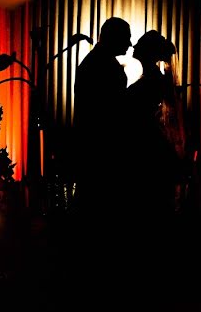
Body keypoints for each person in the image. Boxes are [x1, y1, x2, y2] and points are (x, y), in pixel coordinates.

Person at [71, 17, 132, 216]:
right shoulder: (101, 65)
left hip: (93, 147)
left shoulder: (96, 62)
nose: (130, 44)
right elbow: (111, 111)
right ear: (114, 37)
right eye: (126, 38)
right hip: (101, 150)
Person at [125, 30, 183, 220]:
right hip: (146, 136)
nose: (134, 47)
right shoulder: (152, 78)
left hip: (145, 140)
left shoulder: (153, 80)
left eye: (139, 45)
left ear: (148, 52)